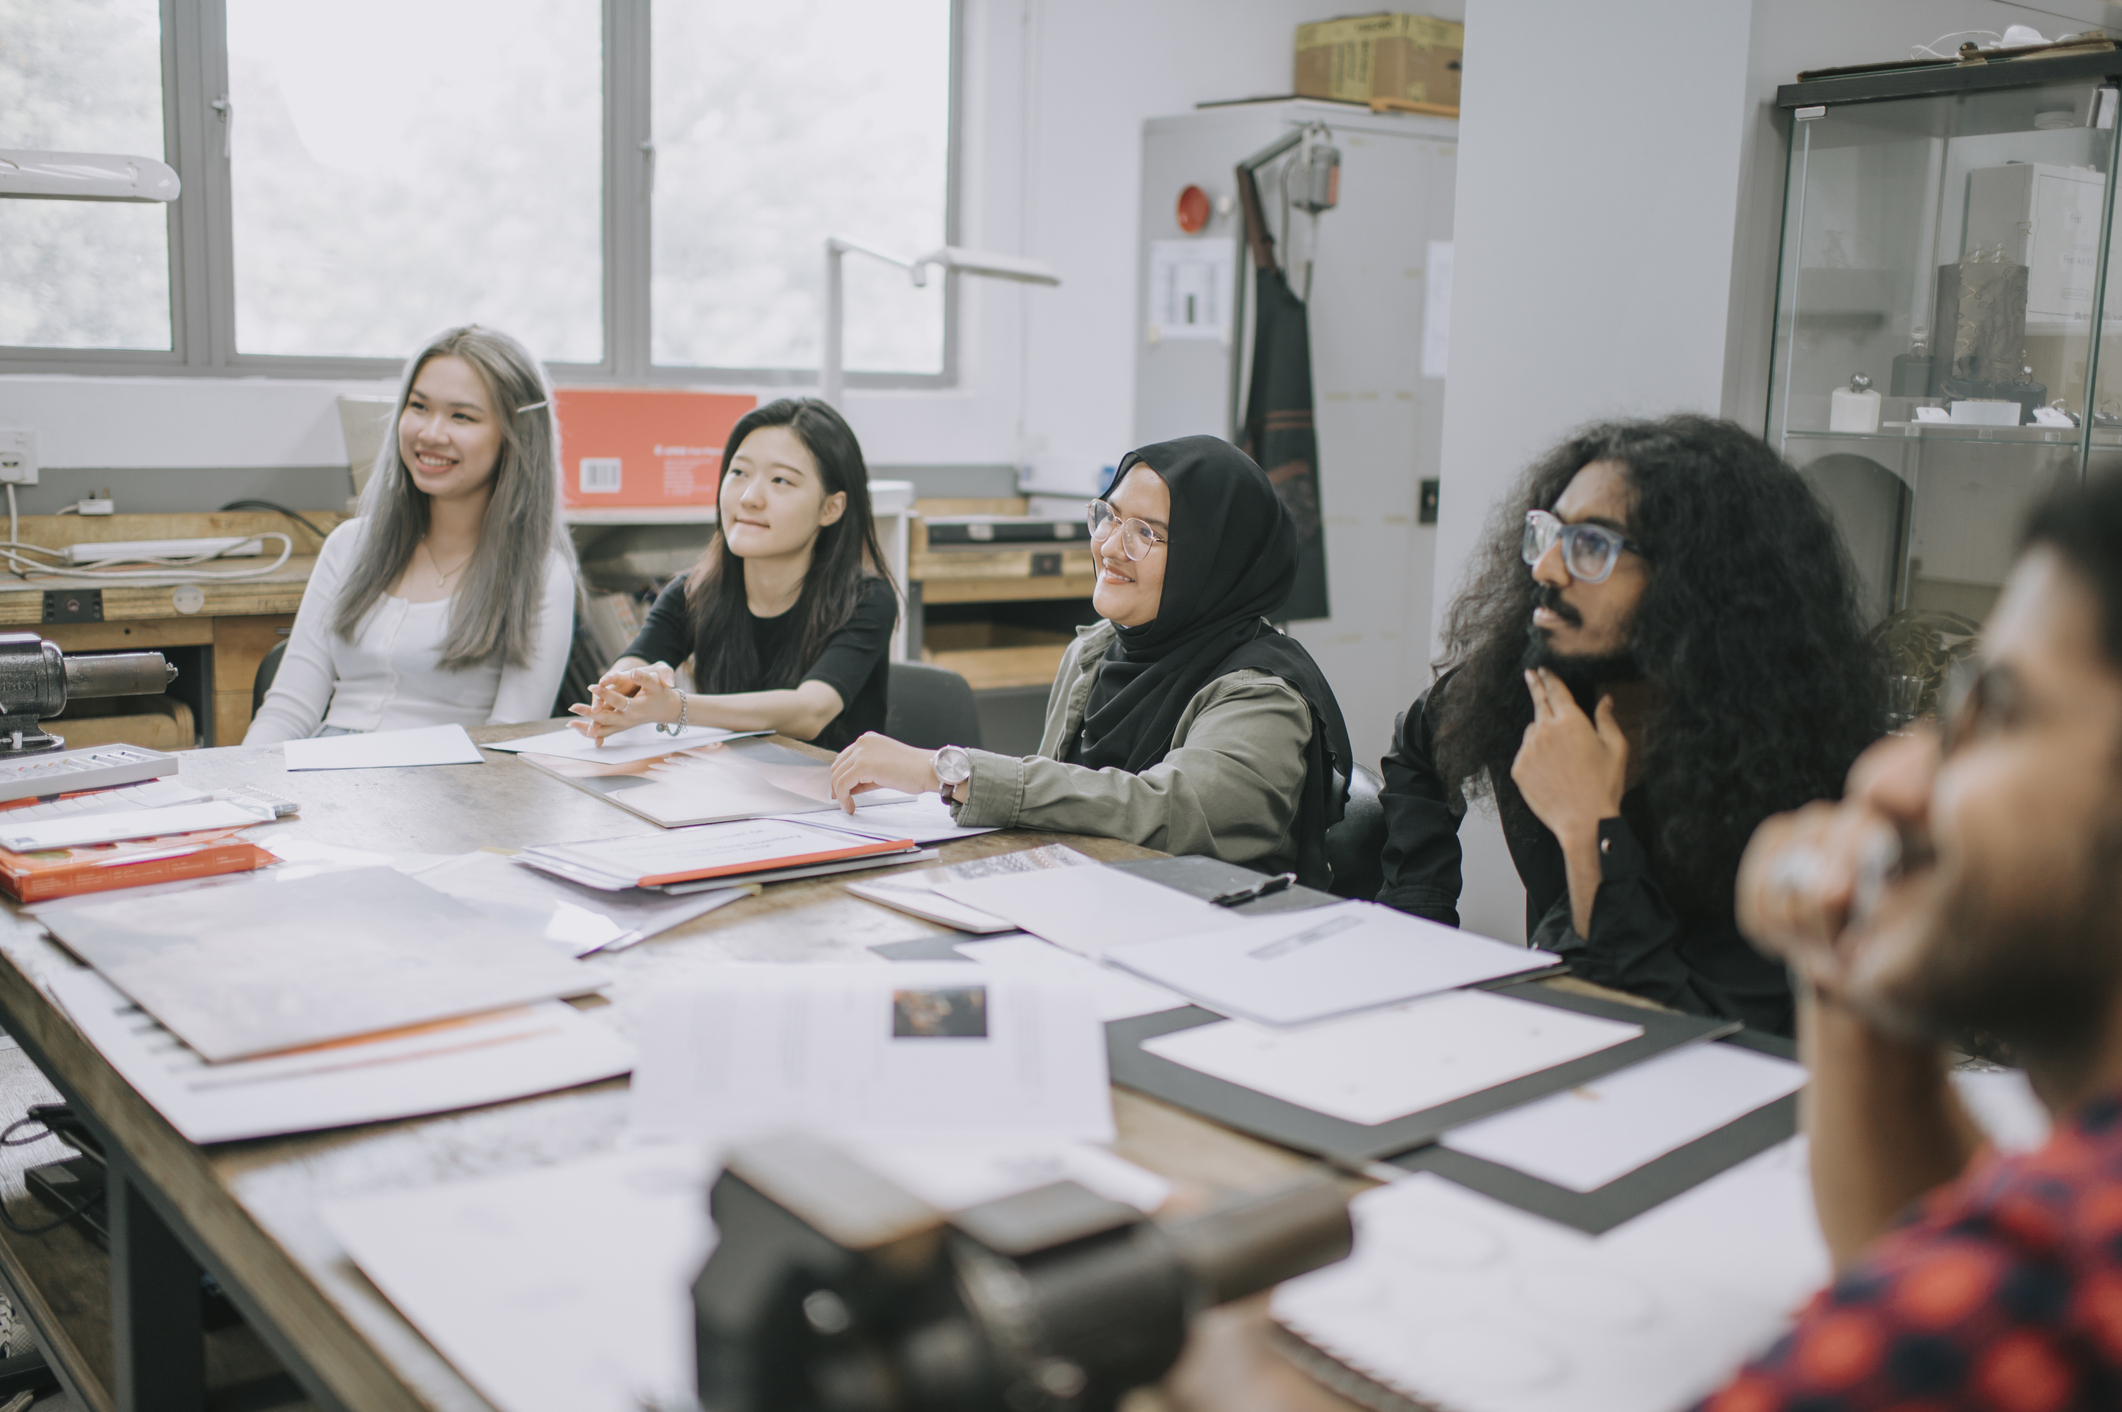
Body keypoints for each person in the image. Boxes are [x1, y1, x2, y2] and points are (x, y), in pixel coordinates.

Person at [1700, 470, 2122, 1409]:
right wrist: (1858, 963)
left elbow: (1965, 1305)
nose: (1887, 776)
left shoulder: (2049, 1292)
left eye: (1994, 711)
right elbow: (1924, 1257)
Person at [1376, 416, 1882, 1035]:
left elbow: (1704, 1043)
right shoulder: (1528, 685)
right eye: (1548, 534)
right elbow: (1419, 752)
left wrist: (1592, 828)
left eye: (1593, 546)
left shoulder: (1789, 776)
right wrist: (1418, 918)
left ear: (1696, 584)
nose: (1548, 569)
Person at [828, 435, 1353, 889]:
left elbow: (1172, 814)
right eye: (1109, 516)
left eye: (1146, 533)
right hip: (1096, 904)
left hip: (1209, 940)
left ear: (1216, 560)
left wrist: (947, 771)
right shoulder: (1097, 650)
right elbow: (1062, 808)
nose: (1108, 546)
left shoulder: (1261, 693)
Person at [244, 325, 577, 745]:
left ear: (514, 436)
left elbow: (507, 744)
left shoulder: (542, 576)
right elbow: (288, 710)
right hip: (326, 781)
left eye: (462, 416)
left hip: (452, 790)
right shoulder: (349, 545)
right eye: (419, 407)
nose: (431, 433)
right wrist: (246, 795)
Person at [568, 398, 895, 752]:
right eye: (739, 473)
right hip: (729, 792)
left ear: (831, 508)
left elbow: (810, 711)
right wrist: (627, 687)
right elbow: (635, 662)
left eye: (781, 480)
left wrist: (675, 705)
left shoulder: (866, 599)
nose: (750, 498)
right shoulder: (690, 592)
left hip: (834, 798)